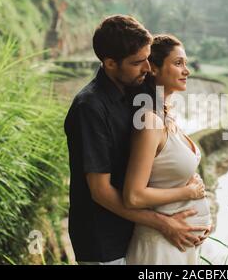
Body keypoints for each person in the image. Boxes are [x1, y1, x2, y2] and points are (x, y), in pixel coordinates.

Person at [64, 15, 210, 265]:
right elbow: (101, 191)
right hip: (105, 243)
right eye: (138, 62)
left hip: (137, 233)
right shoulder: (90, 107)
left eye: (148, 59)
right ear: (110, 63)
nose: (147, 67)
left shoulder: (135, 90)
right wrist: (165, 224)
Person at [125, 35, 212, 265]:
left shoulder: (166, 115)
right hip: (159, 250)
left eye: (186, 63)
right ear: (153, 69)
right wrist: (188, 194)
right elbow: (133, 196)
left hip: (180, 244)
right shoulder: (149, 121)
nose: (187, 71)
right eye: (178, 63)